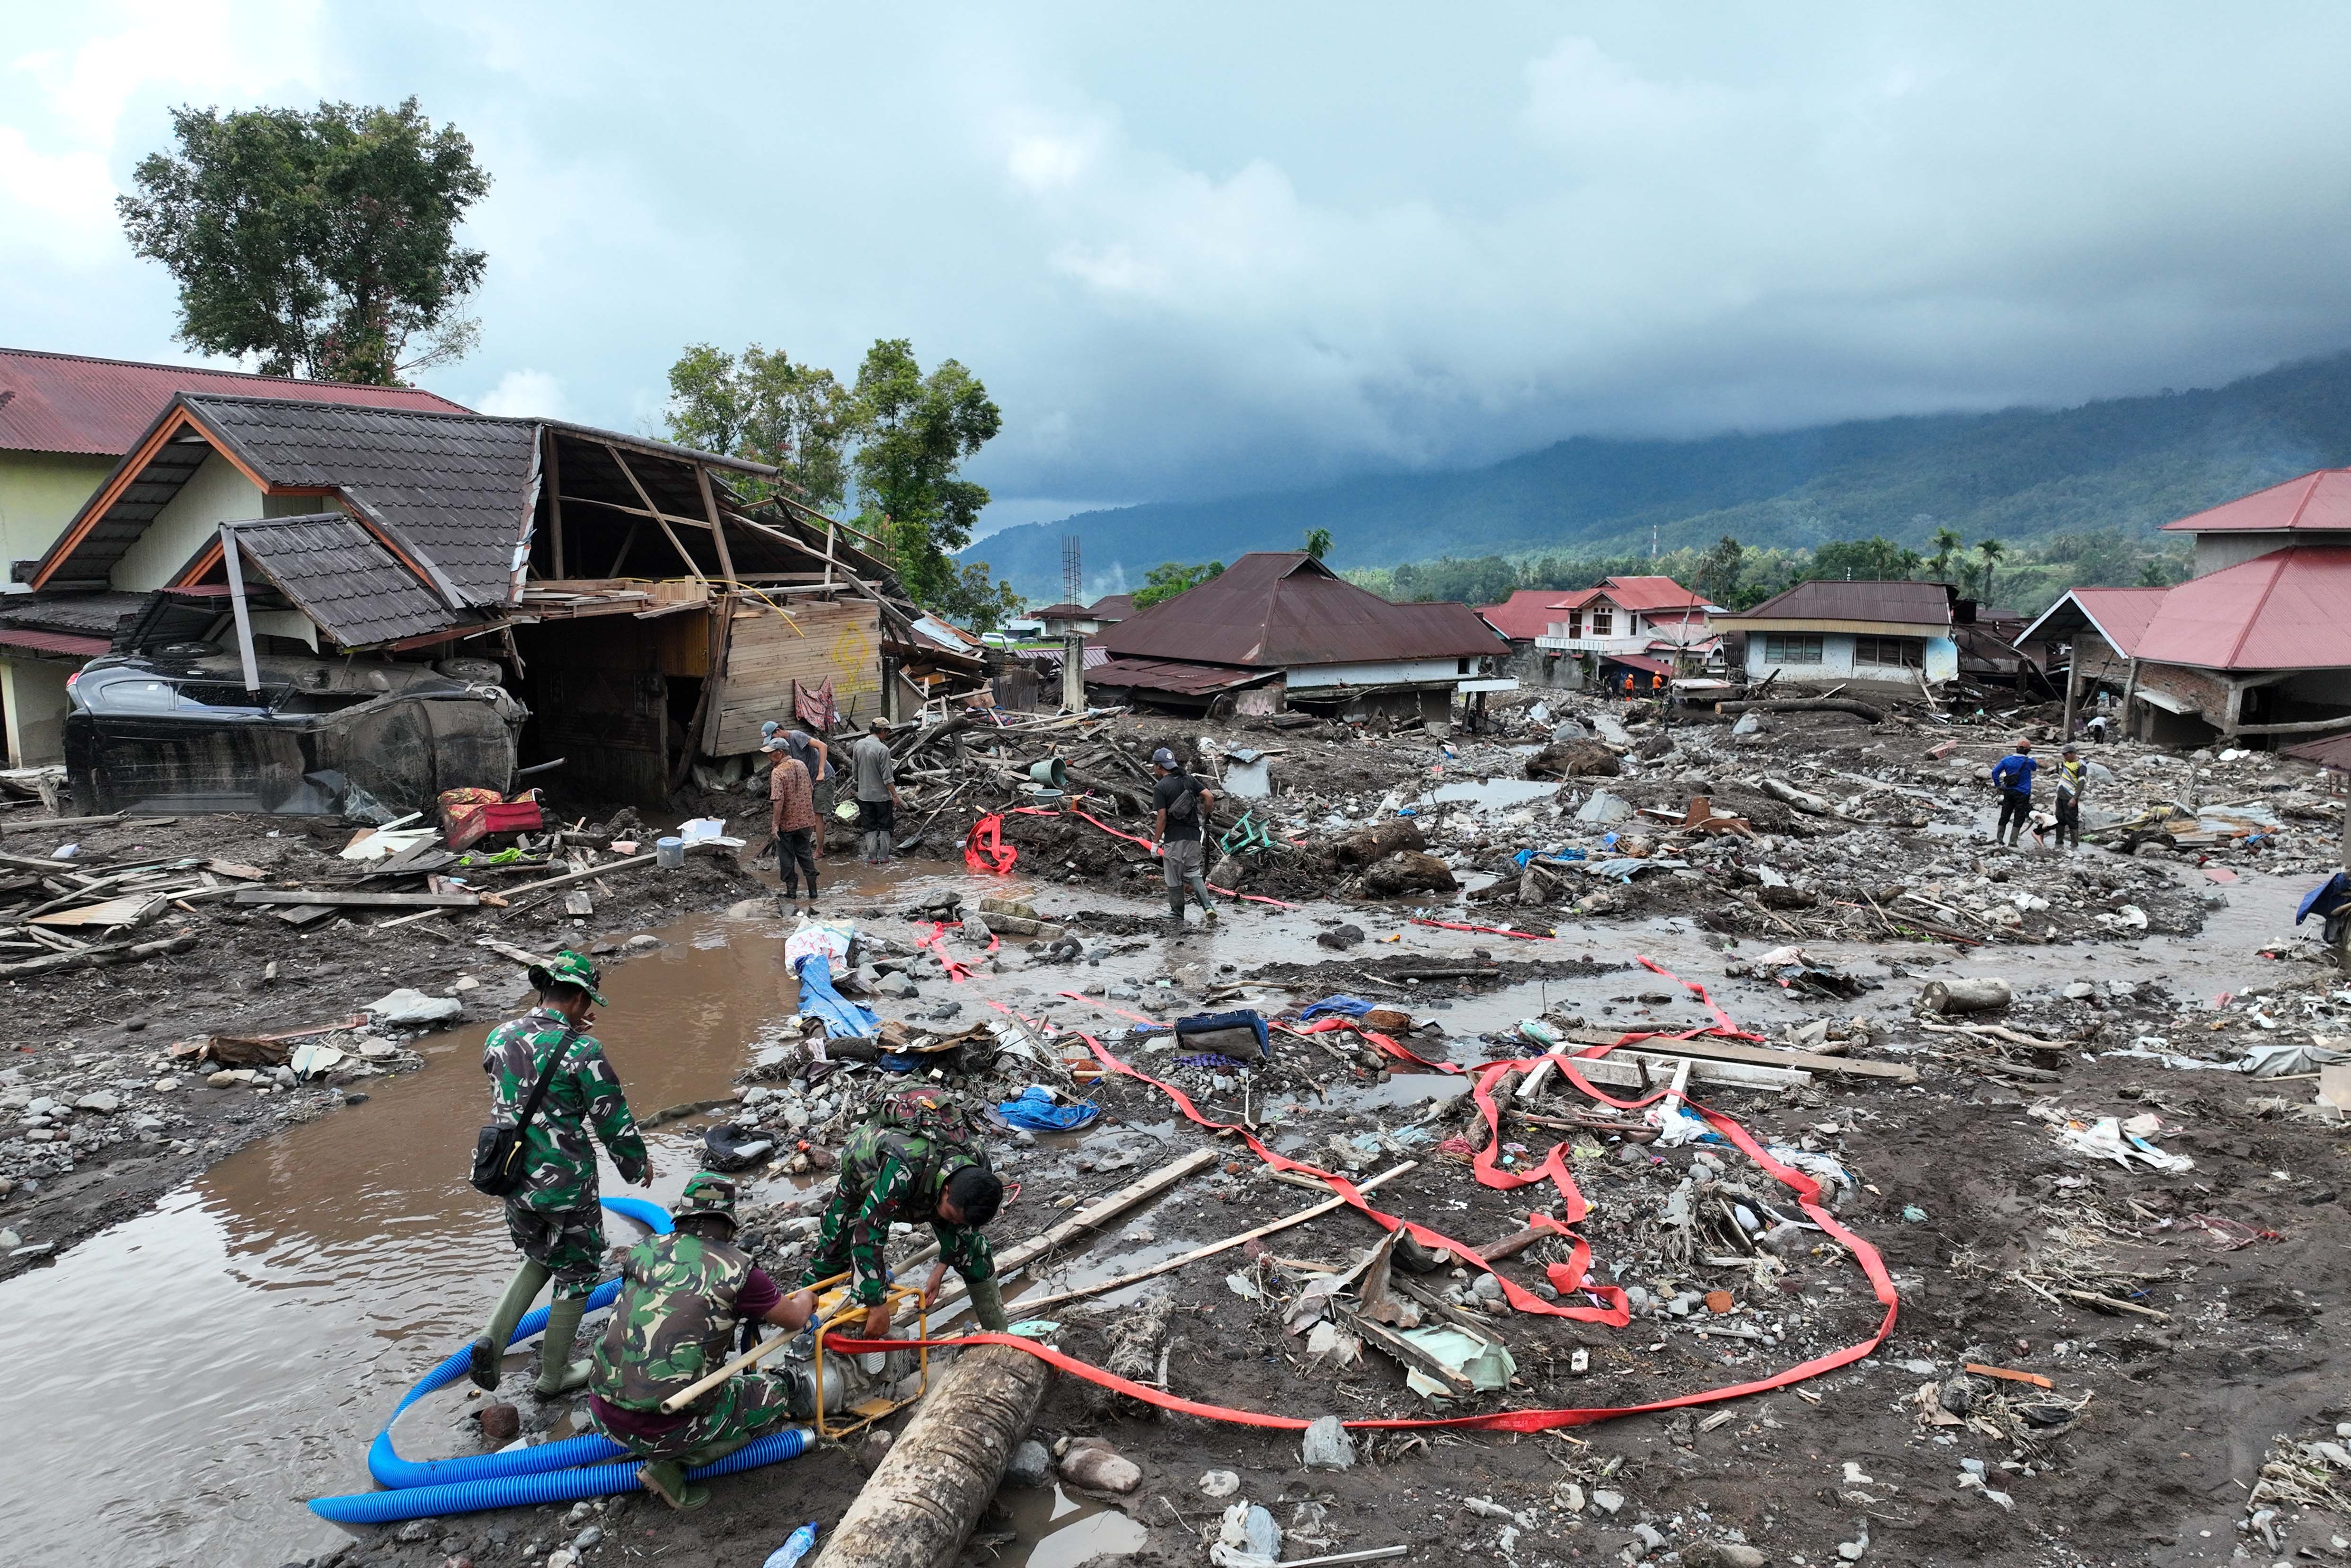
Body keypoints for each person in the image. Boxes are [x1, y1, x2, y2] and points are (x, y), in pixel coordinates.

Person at [469, 950, 651, 1397]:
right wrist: (636, 1165)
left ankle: (491, 1340)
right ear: (578, 998)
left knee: (538, 1254)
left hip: (510, 1176)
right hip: (565, 1183)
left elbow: (516, 1085)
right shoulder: (584, 1050)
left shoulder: (499, 1036)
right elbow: (610, 1116)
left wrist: (565, 1034)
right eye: (587, 1001)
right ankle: (554, 1376)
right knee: (580, 1270)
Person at [586, 1172, 817, 1512]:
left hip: (603, 1413)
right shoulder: (739, 1270)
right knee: (780, 1391)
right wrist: (810, 1297)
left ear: (683, 1215)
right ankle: (672, 1464)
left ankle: (653, 1443)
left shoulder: (645, 1249)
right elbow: (795, 1319)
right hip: (666, 1424)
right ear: (728, 1223)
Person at [795, 1097, 1010, 1340]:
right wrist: (876, 1304)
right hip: (864, 1171)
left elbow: (961, 1230)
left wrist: (940, 1270)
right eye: (953, 1216)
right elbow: (868, 1234)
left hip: (930, 1183)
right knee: (834, 1251)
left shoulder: (978, 1163)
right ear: (947, 1190)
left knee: (973, 1251)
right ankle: (800, 1323)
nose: (955, 1223)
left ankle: (1000, 1335)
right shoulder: (901, 1172)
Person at [1151, 746, 1219, 930]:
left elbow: (1162, 818)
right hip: (1194, 836)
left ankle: (1177, 913)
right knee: (1194, 872)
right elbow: (1209, 797)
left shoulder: (1160, 787)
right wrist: (1205, 817)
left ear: (1158, 767)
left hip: (1175, 838)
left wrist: (1155, 843)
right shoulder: (1189, 780)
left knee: (1173, 877)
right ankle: (1208, 908)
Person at [763, 720, 835, 862]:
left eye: (773, 738)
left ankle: (820, 851)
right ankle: (805, 847)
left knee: (817, 814)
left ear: (778, 732)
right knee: (806, 812)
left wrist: (821, 772)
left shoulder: (796, 736)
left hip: (823, 778)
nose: (773, 743)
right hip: (808, 780)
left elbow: (823, 746)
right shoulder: (784, 748)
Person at [765, 734, 820, 915]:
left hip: (788, 823)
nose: (769, 757)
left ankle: (791, 893)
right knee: (805, 853)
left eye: (771, 754)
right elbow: (810, 789)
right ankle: (813, 891)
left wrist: (775, 824)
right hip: (805, 820)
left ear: (780, 753)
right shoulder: (802, 765)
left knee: (787, 857)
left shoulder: (778, 772)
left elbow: (778, 800)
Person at [851, 719, 902, 866]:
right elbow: (887, 777)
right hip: (881, 797)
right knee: (885, 827)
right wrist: (895, 795)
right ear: (882, 732)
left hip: (864, 796)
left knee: (869, 827)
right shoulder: (883, 750)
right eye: (887, 733)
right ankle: (885, 857)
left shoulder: (858, 745)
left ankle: (872, 857)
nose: (887, 736)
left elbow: (855, 773)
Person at [1989, 740, 2038, 848]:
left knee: (2005, 814)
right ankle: (2013, 842)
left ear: (2016, 748)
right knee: (2019, 816)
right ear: (2028, 751)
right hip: (2023, 792)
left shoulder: (2006, 760)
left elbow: (1995, 772)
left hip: (2009, 791)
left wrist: (1998, 785)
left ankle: (1999, 839)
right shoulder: (2029, 762)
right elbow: (2034, 768)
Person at [2052, 743, 2086, 851]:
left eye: (2066, 755)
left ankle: (2074, 844)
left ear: (2073, 754)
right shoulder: (2065, 763)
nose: (2065, 757)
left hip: (2070, 795)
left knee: (2072, 820)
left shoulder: (2081, 765)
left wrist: (2075, 798)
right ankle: (2059, 841)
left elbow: (2081, 783)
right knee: (2060, 819)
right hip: (2061, 795)